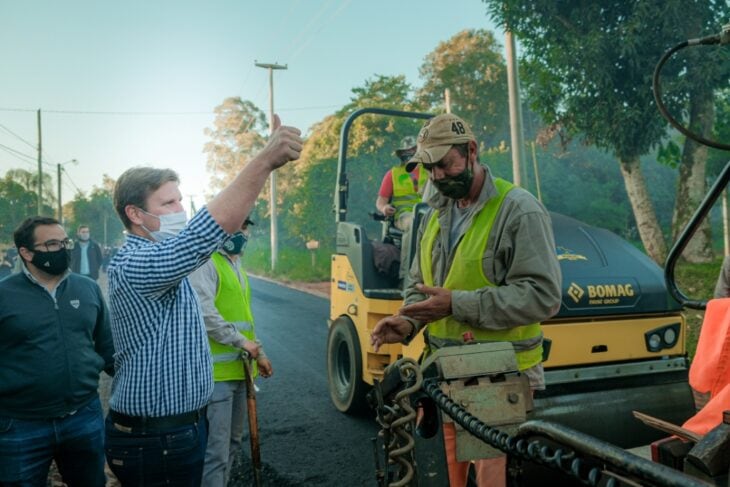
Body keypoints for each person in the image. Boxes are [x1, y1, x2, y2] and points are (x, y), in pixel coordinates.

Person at [105, 115, 301, 487]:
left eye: (181, 199)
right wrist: (263, 162)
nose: (180, 209)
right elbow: (201, 237)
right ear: (135, 214)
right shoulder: (137, 262)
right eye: (168, 203)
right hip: (153, 439)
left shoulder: (166, 262)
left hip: (178, 429)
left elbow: (204, 240)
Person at [370, 113, 562, 487]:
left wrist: (457, 303)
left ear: (471, 151)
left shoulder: (518, 210)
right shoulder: (434, 215)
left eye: (444, 164)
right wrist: (409, 321)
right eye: (428, 168)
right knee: (454, 473)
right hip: (446, 374)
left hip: (499, 373)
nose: (437, 176)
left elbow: (543, 296)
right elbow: (419, 282)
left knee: (491, 475)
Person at [0, 216, 114, 487]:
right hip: (19, 424)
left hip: (83, 417)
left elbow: (107, 346)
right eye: (51, 244)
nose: (62, 249)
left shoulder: (87, 288)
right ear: (26, 253)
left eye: (64, 242)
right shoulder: (4, 294)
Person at [189, 217, 273, 487]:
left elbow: (244, 320)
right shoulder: (207, 263)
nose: (241, 232)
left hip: (240, 370)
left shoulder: (236, 267)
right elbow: (205, 314)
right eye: (234, 227)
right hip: (217, 376)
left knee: (233, 444)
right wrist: (240, 342)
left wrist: (258, 352)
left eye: (245, 227)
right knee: (216, 451)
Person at [375, 136, 428, 233]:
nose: (410, 153)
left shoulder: (431, 171)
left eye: (413, 150)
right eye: (406, 151)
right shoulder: (393, 174)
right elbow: (381, 201)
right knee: (416, 222)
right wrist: (384, 208)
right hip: (404, 215)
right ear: (401, 154)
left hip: (428, 211)